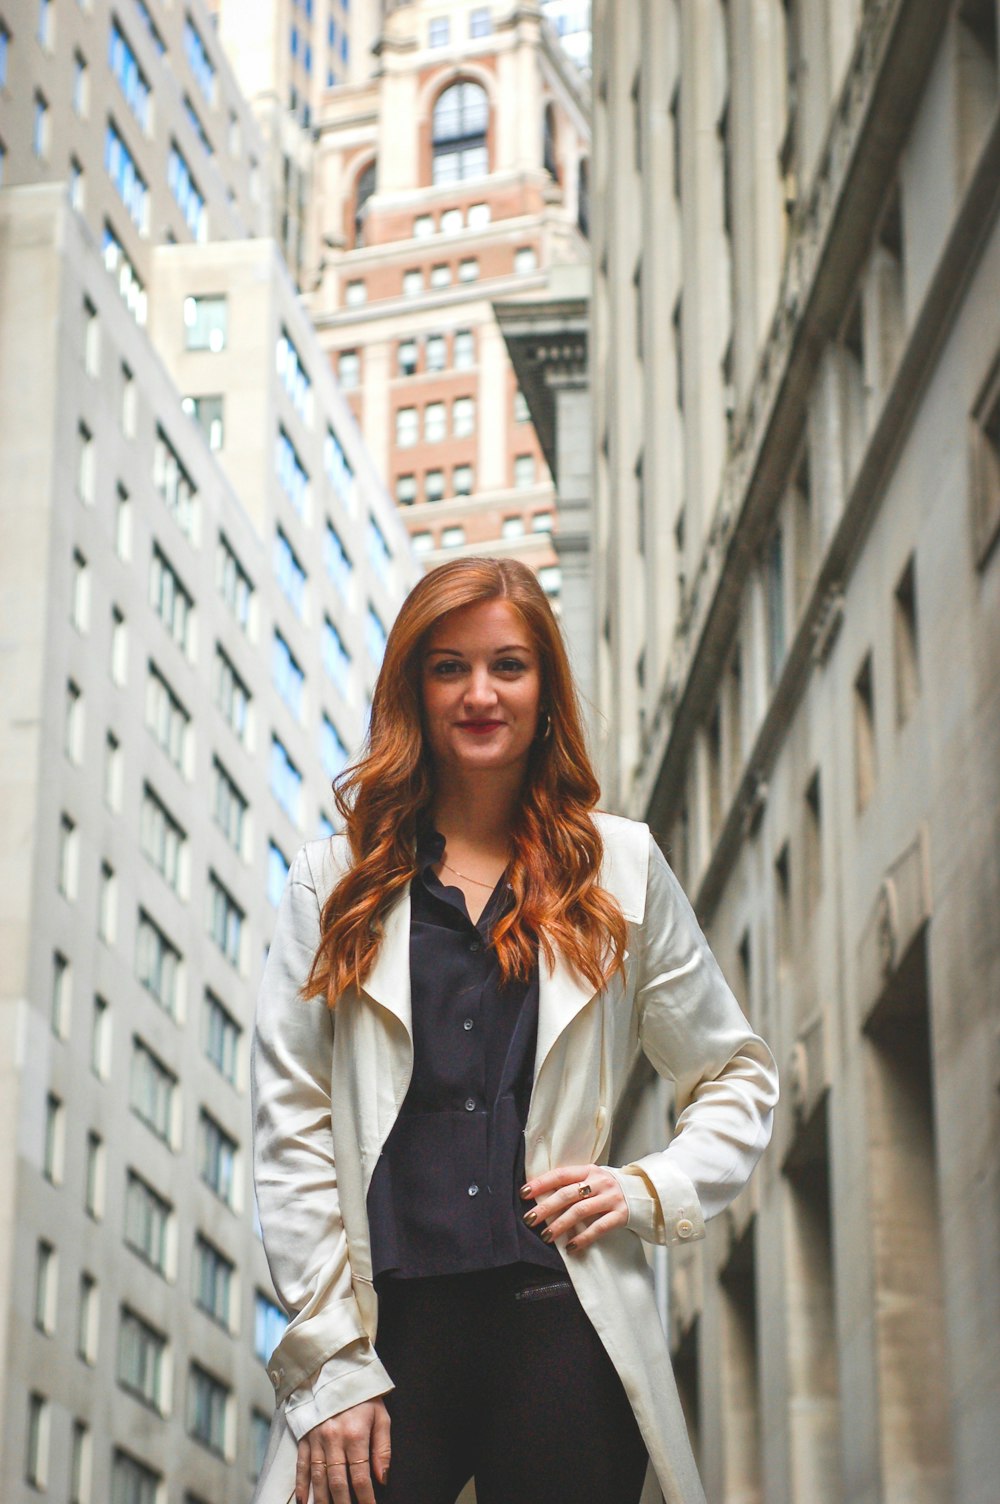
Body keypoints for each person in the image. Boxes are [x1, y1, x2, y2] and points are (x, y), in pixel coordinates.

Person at [251, 557, 778, 1504]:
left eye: (509, 665)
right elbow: (292, 1131)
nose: (480, 693)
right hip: (386, 1337)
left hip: (563, 1328)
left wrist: (650, 1186)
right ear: (414, 688)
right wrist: (330, 1368)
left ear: (546, 689)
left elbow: (734, 1071)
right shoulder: (334, 881)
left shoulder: (620, 867)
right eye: (449, 666)